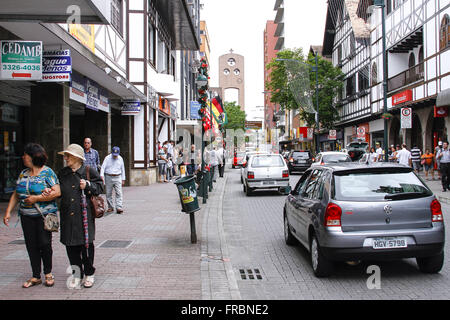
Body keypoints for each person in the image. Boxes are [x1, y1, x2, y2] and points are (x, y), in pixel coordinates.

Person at [3, 143, 61, 288]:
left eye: (25, 155)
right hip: (26, 215)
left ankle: (48, 273)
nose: (23, 157)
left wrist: (37, 198)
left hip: (45, 215)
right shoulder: (23, 173)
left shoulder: (47, 173)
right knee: (31, 245)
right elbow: (16, 193)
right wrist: (8, 212)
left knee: (45, 243)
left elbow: (57, 192)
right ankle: (36, 276)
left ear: (33, 157)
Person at [56, 144, 103, 289]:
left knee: (86, 246)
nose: (65, 158)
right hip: (67, 216)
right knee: (70, 247)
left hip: (84, 216)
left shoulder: (88, 171)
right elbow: (58, 190)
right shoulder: (62, 173)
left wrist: (88, 185)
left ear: (77, 158)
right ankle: (77, 275)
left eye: (68, 156)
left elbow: (101, 187)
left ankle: (89, 273)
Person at [100, 146, 126, 214]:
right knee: (108, 193)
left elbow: (123, 169)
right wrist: (102, 176)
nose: (115, 156)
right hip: (108, 176)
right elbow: (103, 167)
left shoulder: (120, 158)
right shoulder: (107, 158)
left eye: (116, 155)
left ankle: (119, 207)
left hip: (118, 176)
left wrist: (123, 179)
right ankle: (110, 207)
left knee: (119, 192)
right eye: (114, 155)